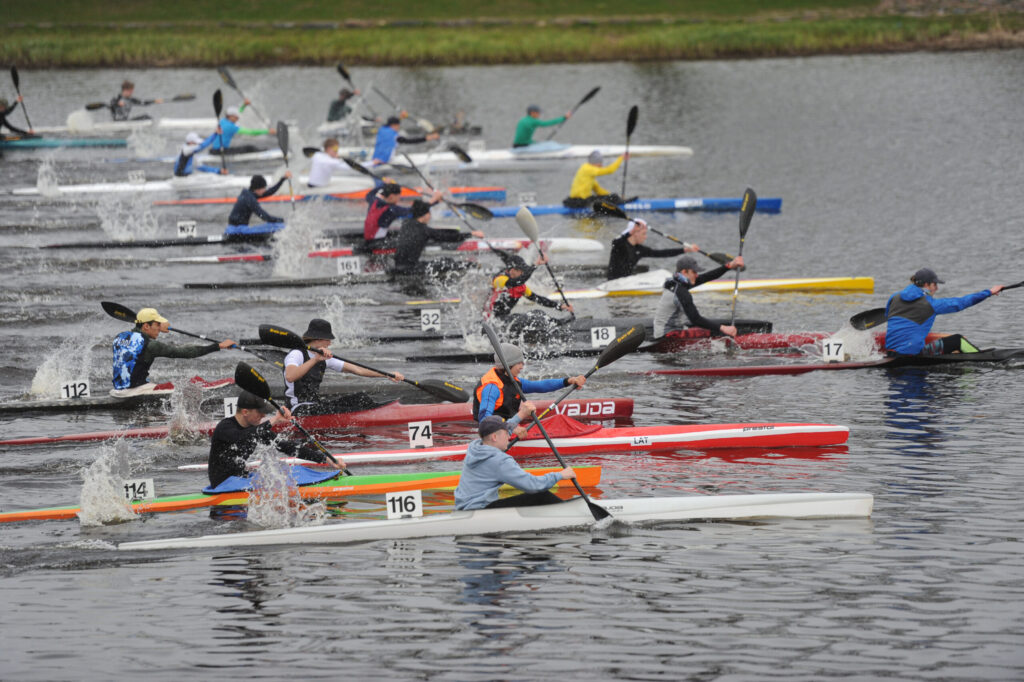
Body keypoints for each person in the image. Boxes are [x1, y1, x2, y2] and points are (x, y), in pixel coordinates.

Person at [208, 391, 344, 488]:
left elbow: (288, 447)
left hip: (241, 481)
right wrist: (274, 420)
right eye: (260, 412)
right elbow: (242, 437)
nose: (263, 415)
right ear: (245, 412)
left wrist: (327, 460)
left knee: (292, 472)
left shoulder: (256, 429)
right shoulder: (224, 428)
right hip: (223, 485)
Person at [454, 404, 576, 511]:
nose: (509, 436)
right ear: (495, 438)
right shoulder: (500, 461)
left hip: (464, 508)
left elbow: (498, 430)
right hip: (480, 511)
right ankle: (571, 514)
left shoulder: (476, 448)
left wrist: (521, 415)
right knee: (540, 495)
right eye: (506, 433)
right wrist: (560, 475)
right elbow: (532, 485)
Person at [283, 318, 405, 415]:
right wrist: (315, 360)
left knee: (360, 398)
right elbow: (290, 376)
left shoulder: (324, 357)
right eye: (328, 339)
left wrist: (387, 374)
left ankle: (380, 413)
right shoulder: (296, 354)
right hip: (297, 409)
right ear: (318, 339)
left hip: (315, 406)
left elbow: (358, 370)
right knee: (341, 410)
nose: (330, 343)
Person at [473, 343, 586, 438]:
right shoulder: (492, 388)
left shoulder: (512, 380)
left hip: (509, 427)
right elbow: (485, 422)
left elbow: (540, 385)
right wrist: (512, 426)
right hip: (495, 436)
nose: (522, 366)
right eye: (519, 363)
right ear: (508, 365)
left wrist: (568, 381)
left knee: (558, 420)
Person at [111, 308, 235, 395]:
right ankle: (231, 383)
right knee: (193, 382)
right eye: (157, 325)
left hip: (117, 390)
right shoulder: (151, 346)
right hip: (137, 390)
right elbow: (185, 352)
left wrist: (158, 325)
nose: (159, 329)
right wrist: (218, 346)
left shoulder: (119, 337)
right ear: (146, 326)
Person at [884, 268, 1003, 355]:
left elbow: (888, 317)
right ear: (926, 284)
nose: (937, 288)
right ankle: (981, 357)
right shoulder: (930, 304)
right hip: (912, 354)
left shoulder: (894, 297)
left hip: (891, 353)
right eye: (935, 284)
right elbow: (961, 302)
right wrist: (989, 292)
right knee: (958, 340)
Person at [652, 255, 746, 339]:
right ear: (684, 272)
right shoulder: (681, 292)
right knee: (713, 331)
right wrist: (723, 328)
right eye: (694, 272)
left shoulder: (674, 281)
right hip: (667, 336)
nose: (697, 275)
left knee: (707, 327)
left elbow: (706, 277)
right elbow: (695, 319)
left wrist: (728, 266)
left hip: (663, 331)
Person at [390, 199, 483, 276]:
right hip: (411, 270)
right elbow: (448, 237)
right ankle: (474, 266)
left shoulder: (406, 224)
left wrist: (435, 200)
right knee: (445, 262)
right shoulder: (424, 230)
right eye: (429, 213)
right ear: (425, 215)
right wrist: (471, 234)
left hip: (397, 267)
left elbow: (418, 208)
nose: (430, 216)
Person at [607, 218, 698, 280]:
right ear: (635, 233)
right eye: (643, 234)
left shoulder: (640, 249)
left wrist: (685, 250)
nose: (645, 237)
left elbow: (661, 253)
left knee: (661, 273)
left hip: (626, 282)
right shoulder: (620, 245)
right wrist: (631, 230)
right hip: (614, 283)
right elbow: (615, 241)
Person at [563, 150, 629, 209]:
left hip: (581, 199)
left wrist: (611, 195)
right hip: (580, 200)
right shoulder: (588, 169)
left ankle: (618, 200)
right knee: (613, 197)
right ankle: (622, 204)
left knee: (612, 196)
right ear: (595, 162)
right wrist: (621, 158)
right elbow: (610, 170)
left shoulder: (588, 174)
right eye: (600, 163)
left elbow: (599, 190)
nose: (601, 165)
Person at [371, 115, 440, 166]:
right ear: (394, 125)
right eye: (398, 125)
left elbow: (387, 123)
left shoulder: (382, 129)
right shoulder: (395, 136)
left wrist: (401, 117)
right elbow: (409, 141)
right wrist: (428, 137)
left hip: (375, 159)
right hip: (383, 162)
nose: (399, 127)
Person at [211, 101, 275, 154]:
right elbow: (252, 133)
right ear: (230, 116)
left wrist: (244, 105)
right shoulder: (231, 127)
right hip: (220, 152)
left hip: (214, 150)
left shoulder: (223, 121)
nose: (238, 118)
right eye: (236, 117)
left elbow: (238, 112)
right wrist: (268, 131)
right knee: (249, 148)